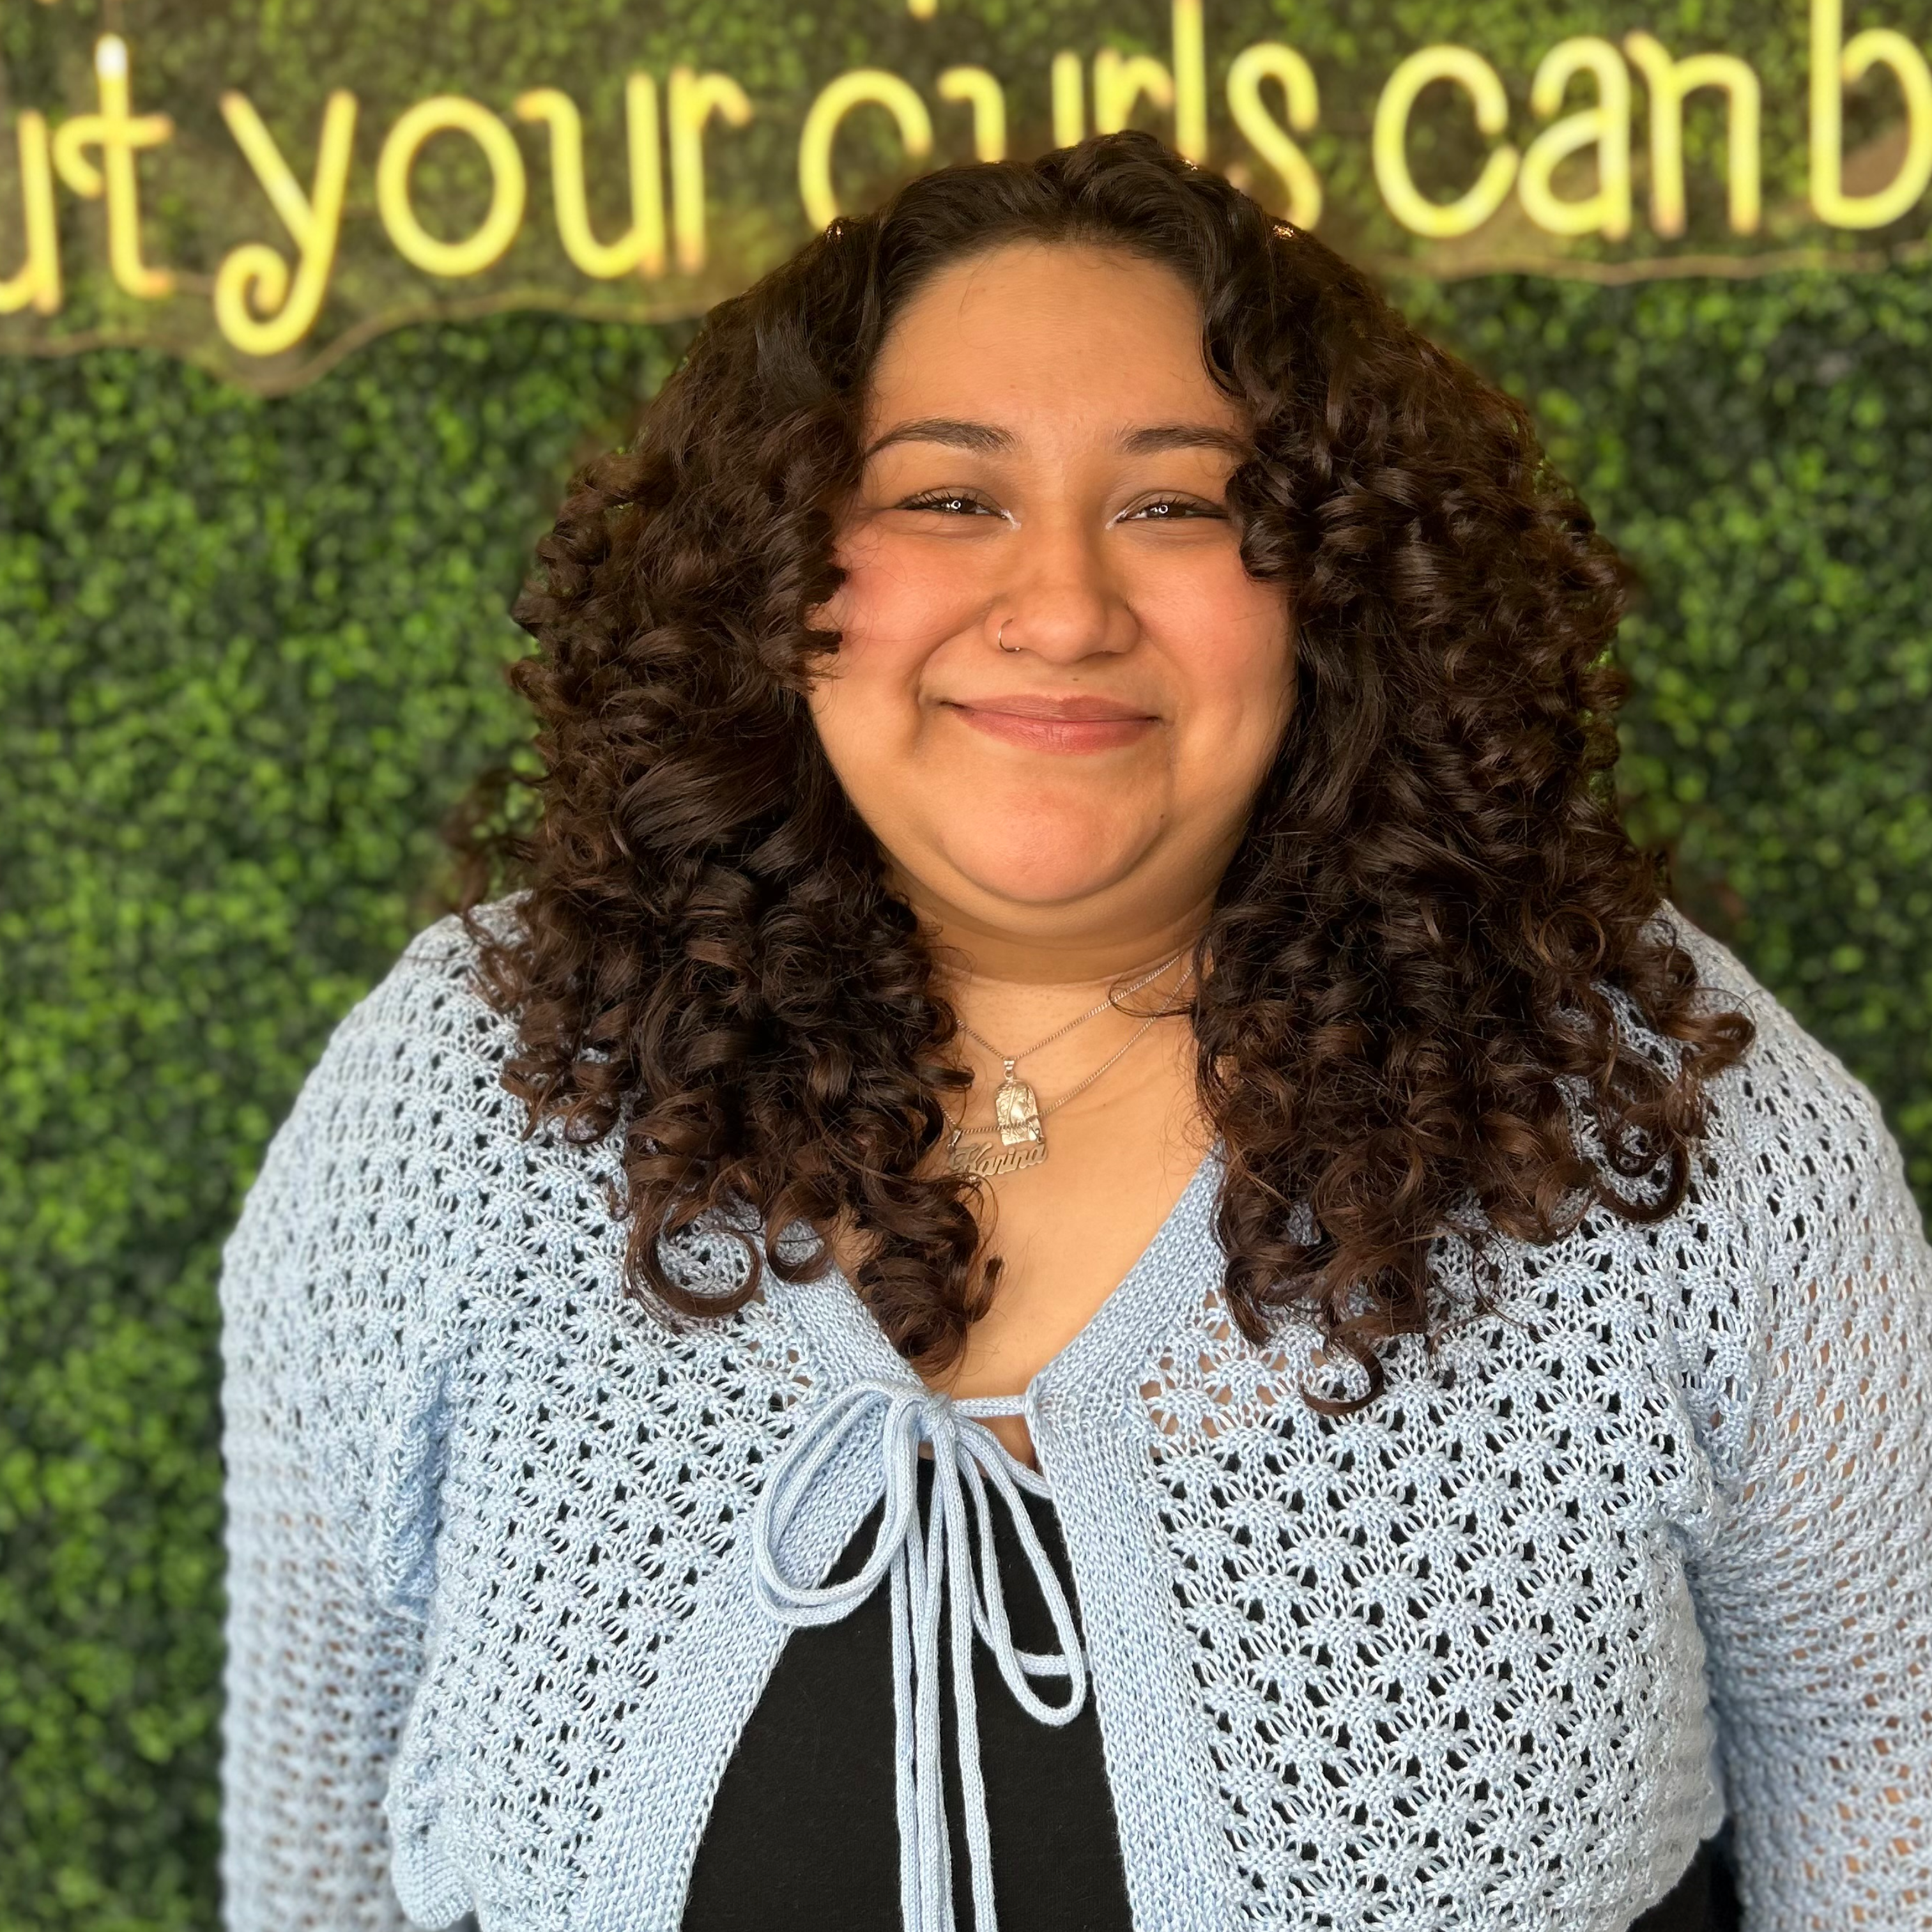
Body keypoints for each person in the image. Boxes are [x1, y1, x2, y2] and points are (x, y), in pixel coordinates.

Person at [215, 132, 1931, 1932]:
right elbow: (315, 1855)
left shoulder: (1670, 1134)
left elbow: (1888, 1821)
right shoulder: (471, 1095)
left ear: (1329, 588)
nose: (1060, 607)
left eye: (1177, 503)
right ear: (772, 570)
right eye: (946, 497)